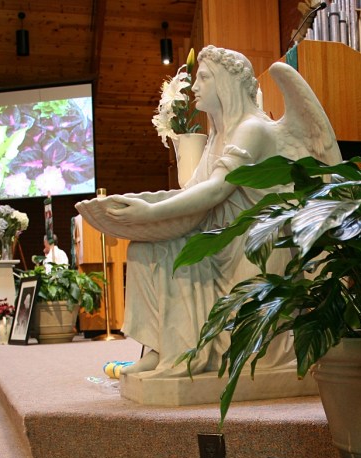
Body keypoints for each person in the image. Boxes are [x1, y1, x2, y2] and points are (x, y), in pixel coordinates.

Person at [75, 46, 338, 378]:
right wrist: (145, 210)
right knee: (142, 248)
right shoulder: (218, 137)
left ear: (226, 83)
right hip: (223, 238)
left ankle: (185, 357)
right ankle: (159, 350)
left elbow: (215, 189)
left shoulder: (253, 129)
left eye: (203, 78)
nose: (194, 87)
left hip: (254, 245)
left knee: (176, 253)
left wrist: (151, 214)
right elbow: (191, 193)